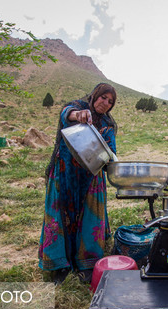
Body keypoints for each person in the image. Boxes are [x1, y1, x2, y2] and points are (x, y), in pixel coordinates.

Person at [38, 83, 117, 284]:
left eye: (110, 101)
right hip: (65, 170)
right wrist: (78, 114)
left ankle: (87, 265)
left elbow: (110, 153)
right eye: (103, 98)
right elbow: (66, 113)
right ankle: (60, 266)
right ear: (94, 95)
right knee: (60, 217)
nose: (105, 103)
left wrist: (115, 164)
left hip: (91, 176)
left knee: (90, 219)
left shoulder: (108, 124)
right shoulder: (77, 106)